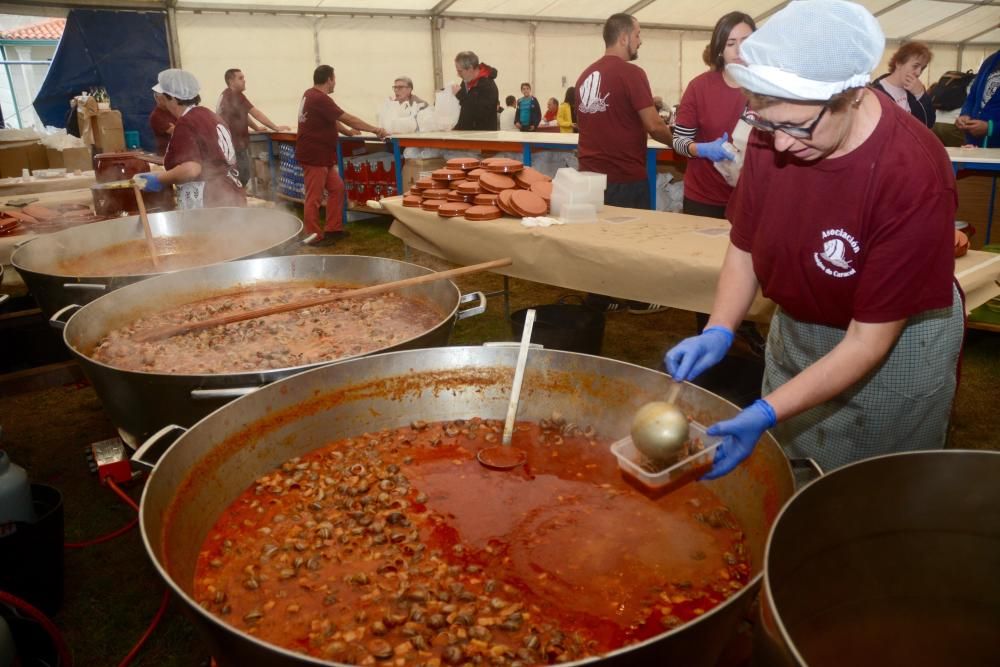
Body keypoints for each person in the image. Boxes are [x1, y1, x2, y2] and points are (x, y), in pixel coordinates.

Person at [665, 0, 963, 478]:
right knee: (792, 474)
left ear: (853, 95)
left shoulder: (911, 172)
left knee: (870, 491)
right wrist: (720, 326)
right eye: (768, 122)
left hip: (892, 348)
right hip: (801, 329)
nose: (779, 143)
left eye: (796, 126)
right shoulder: (774, 133)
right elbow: (745, 246)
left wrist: (765, 412)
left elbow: (868, 341)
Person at [576, 13, 673, 314]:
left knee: (598, 242)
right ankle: (637, 298)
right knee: (632, 242)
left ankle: (601, 297)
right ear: (624, 37)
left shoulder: (584, 75)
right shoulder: (632, 73)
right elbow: (655, 126)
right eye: (638, 34)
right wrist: (685, 144)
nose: (640, 40)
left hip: (590, 177)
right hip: (624, 175)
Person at [672, 11, 755, 219]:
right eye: (730, 43)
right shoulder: (700, 87)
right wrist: (702, 149)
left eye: (746, 42)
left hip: (753, 197)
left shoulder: (767, 89)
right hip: (704, 199)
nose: (739, 50)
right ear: (720, 50)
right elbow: (679, 140)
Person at [296, 64, 387, 245]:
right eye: (334, 79)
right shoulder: (320, 98)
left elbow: (332, 119)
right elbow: (347, 117)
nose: (335, 83)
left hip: (323, 156)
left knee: (337, 189)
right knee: (314, 197)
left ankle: (333, 229)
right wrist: (375, 129)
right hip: (315, 156)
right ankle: (312, 236)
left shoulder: (310, 94)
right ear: (329, 79)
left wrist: (348, 133)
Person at [135, 69, 245, 209]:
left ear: (173, 99)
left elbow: (191, 169)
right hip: (230, 195)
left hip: (210, 201)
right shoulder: (209, 114)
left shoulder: (186, 122)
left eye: (163, 96)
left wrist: (158, 179)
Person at [216, 68, 290, 186]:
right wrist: (276, 127)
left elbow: (243, 114)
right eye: (240, 78)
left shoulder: (226, 94)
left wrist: (256, 128)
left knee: (236, 177)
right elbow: (256, 113)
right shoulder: (235, 95)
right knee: (241, 177)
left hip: (228, 145)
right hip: (234, 146)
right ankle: (238, 201)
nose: (244, 81)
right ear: (231, 81)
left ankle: (237, 199)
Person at [871, 42, 935, 128]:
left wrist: (921, 95)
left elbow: (929, 124)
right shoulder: (876, 92)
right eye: (915, 66)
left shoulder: (915, 89)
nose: (918, 72)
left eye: (922, 68)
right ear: (899, 64)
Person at [957, 49, 1000, 147]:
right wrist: (965, 114)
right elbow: (973, 96)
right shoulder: (991, 60)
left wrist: (991, 128)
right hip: (975, 145)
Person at [453, 51, 499, 131]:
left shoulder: (488, 86)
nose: (458, 74)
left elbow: (479, 114)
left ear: (470, 68)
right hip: (465, 135)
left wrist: (461, 96)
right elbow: (463, 112)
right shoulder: (466, 82)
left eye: (460, 71)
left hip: (481, 138)